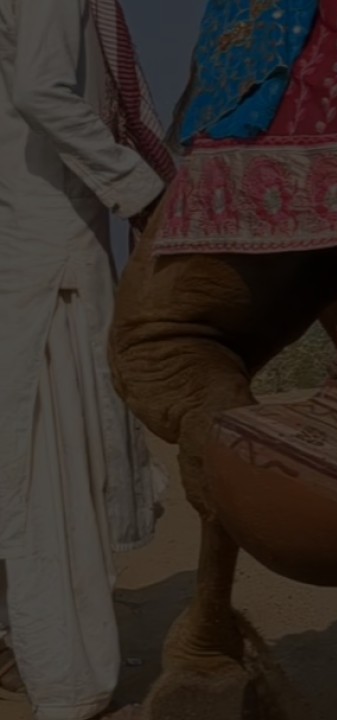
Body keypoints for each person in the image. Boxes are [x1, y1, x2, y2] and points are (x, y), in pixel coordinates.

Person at [0, 0, 170, 717]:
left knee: (59, 470)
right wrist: (143, 191)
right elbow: (42, 90)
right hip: (51, 260)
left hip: (58, 241)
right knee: (53, 479)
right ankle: (70, 689)